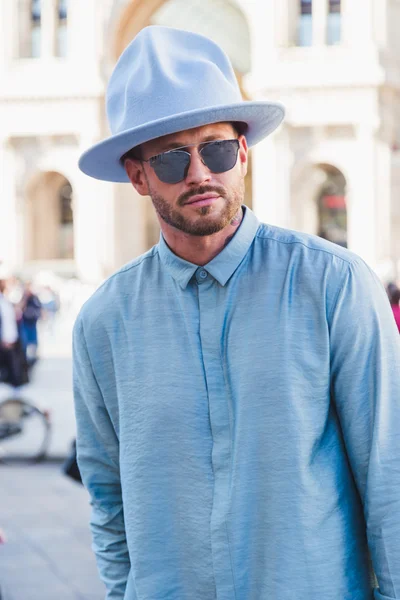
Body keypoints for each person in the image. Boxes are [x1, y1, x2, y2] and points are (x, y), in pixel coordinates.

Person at [73, 26, 400, 600]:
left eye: (217, 149)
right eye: (172, 159)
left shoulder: (334, 286)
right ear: (138, 175)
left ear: (242, 153)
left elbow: (389, 473)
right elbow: (108, 494)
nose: (200, 173)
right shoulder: (103, 322)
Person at [20, 282, 42, 366]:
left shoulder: (35, 298)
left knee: (33, 341)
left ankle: (33, 357)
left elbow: (39, 308)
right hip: (25, 323)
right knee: (26, 341)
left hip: (32, 323)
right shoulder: (24, 297)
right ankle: (26, 358)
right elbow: (20, 307)